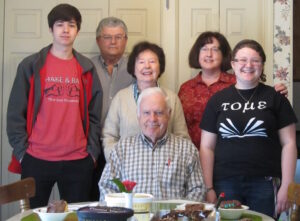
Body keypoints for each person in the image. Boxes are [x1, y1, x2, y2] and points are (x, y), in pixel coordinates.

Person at [6, 4, 102, 208]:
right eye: (60, 25)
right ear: (51, 29)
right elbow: (15, 113)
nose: (65, 30)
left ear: (78, 29)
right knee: (33, 215)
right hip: (36, 158)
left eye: (71, 25)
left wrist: (91, 153)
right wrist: (23, 153)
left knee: (77, 216)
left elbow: (94, 115)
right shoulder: (30, 65)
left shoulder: (86, 67)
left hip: (78, 160)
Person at [199, 39, 297, 218]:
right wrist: (209, 187)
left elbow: (289, 143)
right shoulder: (217, 100)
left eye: (255, 60)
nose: (248, 65)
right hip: (224, 183)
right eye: (242, 60)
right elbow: (206, 147)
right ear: (233, 64)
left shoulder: (276, 98)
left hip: (265, 183)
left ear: (262, 65)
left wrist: (287, 186)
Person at [178, 31, 288, 149]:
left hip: (232, 154)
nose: (209, 54)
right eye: (204, 49)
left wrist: (276, 92)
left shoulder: (239, 82)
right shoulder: (186, 88)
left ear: (224, 54)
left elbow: (261, 104)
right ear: (197, 53)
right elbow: (179, 125)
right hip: (193, 154)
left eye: (215, 49)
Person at [99, 87, 205, 201]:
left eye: (158, 113)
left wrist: (180, 215)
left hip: (173, 217)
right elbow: (107, 187)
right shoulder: (121, 149)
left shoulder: (187, 149)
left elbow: (198, 190)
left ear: (169, 114)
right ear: (138, 115)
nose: (152, 119)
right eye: (146, 113)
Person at [102, 41, 189, 160]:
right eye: (141, 62)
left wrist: (172, 163)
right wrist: (119, 162)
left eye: (152, 61)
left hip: (165, 169)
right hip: (128, 171)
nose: (147, 66)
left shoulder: (172, 98)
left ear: (160, 66)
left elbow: (182, 137)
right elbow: (109, 136)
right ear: (133, 67)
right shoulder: (121, 98)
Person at [90, 17, 134, 201]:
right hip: (89, 146)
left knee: (120, 198)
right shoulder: (86, 66)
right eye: (107, 37)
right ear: (98, 40)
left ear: (125, 39)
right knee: (91, 197)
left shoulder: (136, 67)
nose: (113, 41)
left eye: (118, 37)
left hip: (122, 147)